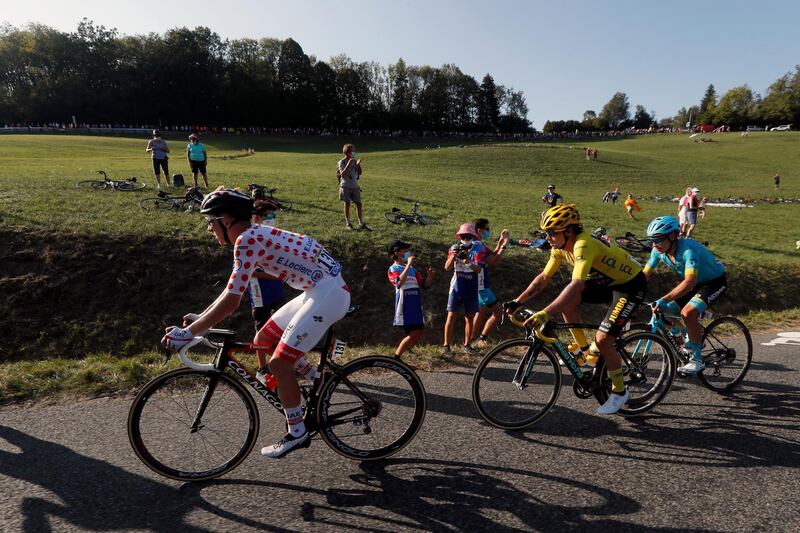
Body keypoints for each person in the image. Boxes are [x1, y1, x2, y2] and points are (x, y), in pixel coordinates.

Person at [162, 187, 350, 458]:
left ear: (226, 220)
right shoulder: (253, 235)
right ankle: (318, 380)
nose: (208, 229)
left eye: (210, 222)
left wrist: (190, 331)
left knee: (279, 363)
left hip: (328, 293)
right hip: (319, 289)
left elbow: (232, 300)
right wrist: (200, 321)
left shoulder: (248, 240)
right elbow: (231, 289)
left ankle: (297, 432)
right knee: (263, 339)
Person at [504, 204, 647, 415]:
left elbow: (577, 284)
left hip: (631, 285)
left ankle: (619, 391)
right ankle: (583, 351)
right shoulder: (559, 247)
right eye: (546, 233)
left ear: (569, 231)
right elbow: (544, 278)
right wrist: (518, 301)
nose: (548, 237)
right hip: (606, 282)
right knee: (569, 301)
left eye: (552, 232)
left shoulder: (583, 244)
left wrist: (545, 312)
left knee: (604, 339)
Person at [643, 216, 726, 374]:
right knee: (665, 312)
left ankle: (697, 359)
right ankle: (691, 338)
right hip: (694, 284)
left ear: (673, 236)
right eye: (652, 240)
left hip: (714, 282)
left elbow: (689, 282)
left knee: (688, 313)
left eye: (659, 239)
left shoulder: (689, 249)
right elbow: (644, 275)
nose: (654, 245)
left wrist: (664, 299)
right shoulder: (658, 251)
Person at [387, 240, 436, 359]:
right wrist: (408, 265)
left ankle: (405, 350)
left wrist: (430, 276)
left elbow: (424, 285)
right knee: (414, 333)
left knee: (419, 332)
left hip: (416, 305)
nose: (409, 253)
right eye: (405, 250)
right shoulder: (393, 268)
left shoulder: (413, 270)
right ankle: (396, 358)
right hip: (405, 306)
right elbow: (398, 283)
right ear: (397, 252)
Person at [442, 223, 485, 355]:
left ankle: (467, 345)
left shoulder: (478, 248)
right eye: (463, 236)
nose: (465, 238)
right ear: (459, 236)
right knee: (451, 316)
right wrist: (453, 256)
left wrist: (468, 261)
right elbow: (447, 267)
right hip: (456, 287)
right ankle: (446, 346)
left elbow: (478, 269)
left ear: (473, 236)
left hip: (471, 287)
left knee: (470, 318)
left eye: (468, 236)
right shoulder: (454, 248)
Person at [246, 199, 286, 332]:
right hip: (260, 294)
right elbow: (248, 271)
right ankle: (260, 353)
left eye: (274, 216)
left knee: (283, 327)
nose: (272, 219)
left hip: (277, 292)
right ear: (256, 218)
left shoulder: (274, 236)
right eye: (269, 216)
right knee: (262, 329)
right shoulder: (249, 239)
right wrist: (276, 276)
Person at [470, 218, 510, 347]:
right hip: (481, 286)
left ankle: (473, 340)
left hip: (479, 284)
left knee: (480, 313)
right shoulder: (477, 245)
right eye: (487, 229)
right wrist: (505, 244)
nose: (488, 231)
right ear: (479, 230)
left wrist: (499, 243)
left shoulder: (477, 244)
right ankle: (478, 339)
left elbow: (491, 255)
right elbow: (493, 261)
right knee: (498, 312)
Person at [337, 144, 370, 230]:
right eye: (352, 151)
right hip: (345, 186)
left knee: (359, 204)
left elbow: (360, 172)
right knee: (347, 204)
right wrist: (349, 163)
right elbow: (343, 174)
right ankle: (348, 223)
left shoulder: (355, 161)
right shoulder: (342, 162)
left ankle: (360, 223)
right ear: (347, 152)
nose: (354, 153)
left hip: (355, 186)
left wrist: (358, 164)